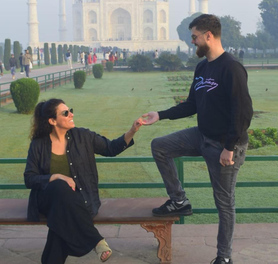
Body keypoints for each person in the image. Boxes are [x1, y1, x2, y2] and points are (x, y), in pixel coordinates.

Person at [140, 14, 253, 264]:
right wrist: (160, 115)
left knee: (224, 203)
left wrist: (229, 148)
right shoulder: (202, 67)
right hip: (202, 135)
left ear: (208, 36)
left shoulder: (231, 67)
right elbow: (192, 105)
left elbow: (243, 113)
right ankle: (179, 200)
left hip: (224, 145)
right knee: (160, 146)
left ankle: (224, 258)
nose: (192, 41)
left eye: (194, 37)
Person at [24, 98, 142, 263]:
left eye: (70, 110)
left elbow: (110, 148)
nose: (71, 114)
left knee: (59, 225)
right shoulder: (38, 144)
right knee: (59, 186)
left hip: (78, 202)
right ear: (52, 121)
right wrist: (56, 176)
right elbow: (29, 178)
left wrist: (132, 130)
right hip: (47, 200)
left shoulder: (83, 136)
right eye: (65, 113)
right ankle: (95, 240)